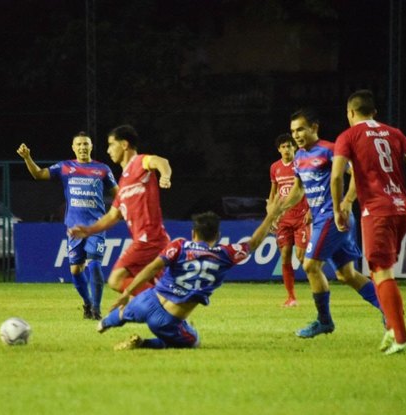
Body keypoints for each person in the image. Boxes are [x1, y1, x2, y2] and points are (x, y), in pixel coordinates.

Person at [332, 89, 406, 354]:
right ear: (374, 112)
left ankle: (402, 338)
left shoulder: (348, 136)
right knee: (379, 272)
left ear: (350, 112)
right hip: (402, 207)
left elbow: (337, 177)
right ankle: (392, 329)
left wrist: (338, 208)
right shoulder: (394, 133)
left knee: (381, 271)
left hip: (377, 210)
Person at [272, 108, 383, 339]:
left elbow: (358, 176)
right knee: (347, 275)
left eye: (301, 129)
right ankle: (388, 308)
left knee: (310, 265)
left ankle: (324, 321)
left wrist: (346, 202)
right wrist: (278, 210)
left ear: (314, 127)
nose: (297, 135)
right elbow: (298, 189)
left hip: (332, 218)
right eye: (293, 131)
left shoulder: (331, 150)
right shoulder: (300, 157)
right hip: (325, 218)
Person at [97, 210, 277, 350]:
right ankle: (144, 343)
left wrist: (127, 292)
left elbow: (153, 267)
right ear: (217, 235)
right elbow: (252, 243)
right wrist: (271, 216)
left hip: (148, 300)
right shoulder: (225, 255)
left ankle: (103, 324)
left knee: (123, 313)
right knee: (193, 342)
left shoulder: (180, 245)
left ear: (193, 233)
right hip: (168, 320)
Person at [17, 132, 119, 320]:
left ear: (91, 146)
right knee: (75, 270)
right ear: (73, 147)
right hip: (74, 228)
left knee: (95, 265)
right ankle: (88, 304)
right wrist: (27, 157)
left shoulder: (103, 169)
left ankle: (96, 310)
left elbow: (119, 194)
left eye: (86, 144)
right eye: (79, 144)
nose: (82, 147)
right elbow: (39, 174)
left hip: (96, 227)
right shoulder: (65, 167)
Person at [69, 124, 172, 297]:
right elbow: (112, 215)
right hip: (150, 241)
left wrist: (165, 176)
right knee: (145, 284)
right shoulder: (123, 183)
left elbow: (161, 162)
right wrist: (88, 230)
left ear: (124, 144)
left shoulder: (139, 162)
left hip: (149, 239)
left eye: (111, 144)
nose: (109, 150)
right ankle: (167, 309)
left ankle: (161, 303)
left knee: (116, 280)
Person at [268, 133, 311, 307]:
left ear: (295, 147)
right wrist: (271, 214)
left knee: (301, 258)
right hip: (284, 219)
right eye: (283, 146)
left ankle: (319, 288)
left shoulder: (301, 164)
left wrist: (309, 210)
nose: (286, 149)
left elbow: (308, 187)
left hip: (301, 217)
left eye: (289, 146)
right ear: (279, 149)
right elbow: (274, 191)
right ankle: (291, 297)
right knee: (285, 256)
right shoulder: (275, 167)